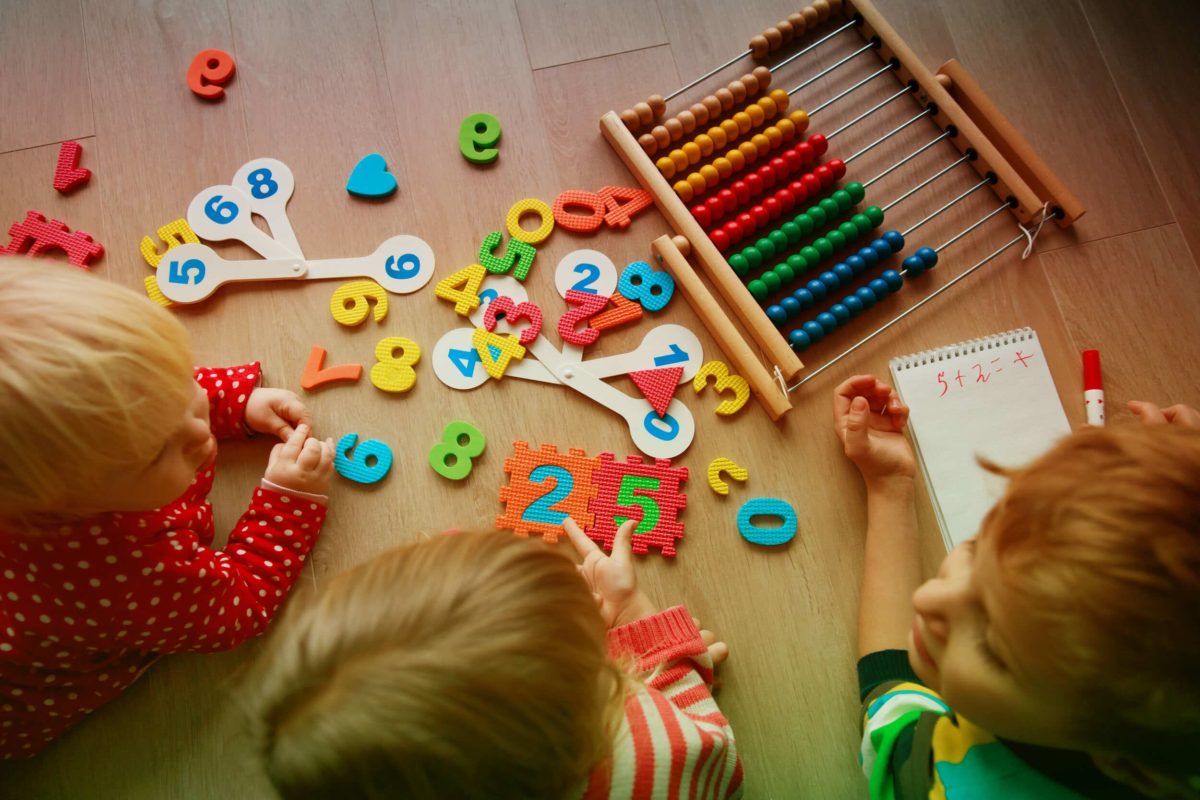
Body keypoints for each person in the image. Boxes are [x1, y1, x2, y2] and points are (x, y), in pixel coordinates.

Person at [0, 260, 335, 758]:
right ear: (70, 502)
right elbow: (237, 610)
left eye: (182, 381)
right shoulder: (124, 567)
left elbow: (132, 399)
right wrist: (288, 501)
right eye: (159, 448)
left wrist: (229, 401)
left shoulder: (81, 456)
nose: (198, 429)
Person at [834, 374, 1200, 799]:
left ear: (1124, 764)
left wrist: (889, 490)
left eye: (992, 645)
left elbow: (892, 701)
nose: (927, 597)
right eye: (975, 547)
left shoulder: (945, 782)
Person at [244, 520, 742, 799]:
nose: (594, 609)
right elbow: (721, 757)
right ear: (578, 727)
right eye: (592, 655)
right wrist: (648, 634)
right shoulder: (658, 756)